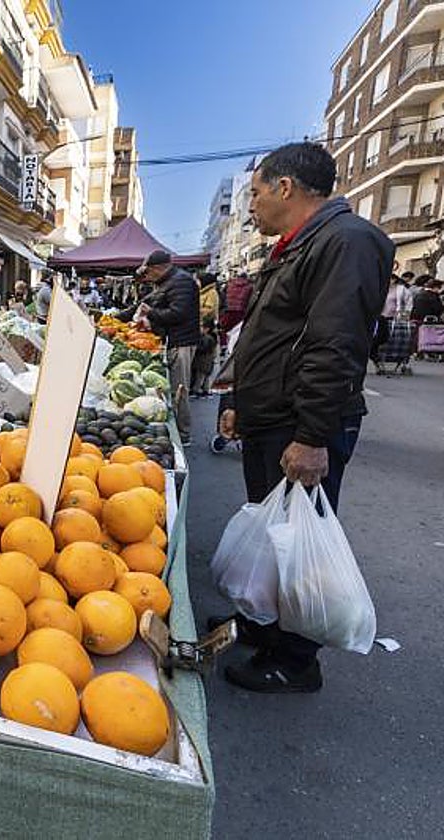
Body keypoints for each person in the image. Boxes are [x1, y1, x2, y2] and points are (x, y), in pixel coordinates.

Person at [214, 142, 393, 693]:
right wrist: (237, 400)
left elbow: (334, 345)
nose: (252, 205)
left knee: (298, 544)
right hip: (271, 417)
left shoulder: (346, 243)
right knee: (271, 537)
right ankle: (259, 629)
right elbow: (268, 336)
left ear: (286, 188)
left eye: (257, 192)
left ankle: (294, 660)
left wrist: (313, 435)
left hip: (303, 423)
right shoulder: (295, 247)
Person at [118, 249, 200, 445]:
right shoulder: (164, 283)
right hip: (171, 340)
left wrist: (151, 314)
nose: (147, 276)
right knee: (173, 389)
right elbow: (141, 305)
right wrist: (116, 318)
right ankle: (178, 431)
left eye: (148, 272)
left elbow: (177, 314)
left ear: (158, 268)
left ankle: (183, 434)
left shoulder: (182, 282)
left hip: (181, 342)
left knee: (180, 389)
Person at [191, 315, 218, 396]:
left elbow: (203, 348)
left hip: (202, 362)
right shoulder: (213, 337)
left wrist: (196, 347)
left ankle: (196, 390)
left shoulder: (206, 338)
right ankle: (206, 390)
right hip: (208, 362)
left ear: (207, 329)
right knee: (206, 377)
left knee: (199, 377)